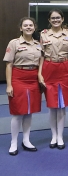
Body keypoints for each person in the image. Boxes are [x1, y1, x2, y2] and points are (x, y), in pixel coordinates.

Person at [3, 17, 42, 156]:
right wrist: (9, 85)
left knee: (29, 111)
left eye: (31, 25)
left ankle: (26, 140)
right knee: (18, 112)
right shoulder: (14, 43)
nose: (28, 27)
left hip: (33, 78)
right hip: (18, 77)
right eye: (25, 25)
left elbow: (41, 63)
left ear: (34, 27)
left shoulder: (38, 44)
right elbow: (8, 64)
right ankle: (13, 142)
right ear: (21, 28)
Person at [38, 9, 68, 150]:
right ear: (49, 20)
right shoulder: (43, 34)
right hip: (49, 67)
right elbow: (41, 55)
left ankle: (60, 136)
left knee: (62, 105)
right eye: (53, 18)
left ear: (62, 19)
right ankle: (53, 135)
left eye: (58, 18)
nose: (55, 20)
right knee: (52, 104)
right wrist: (40, 73)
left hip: (64, 67)